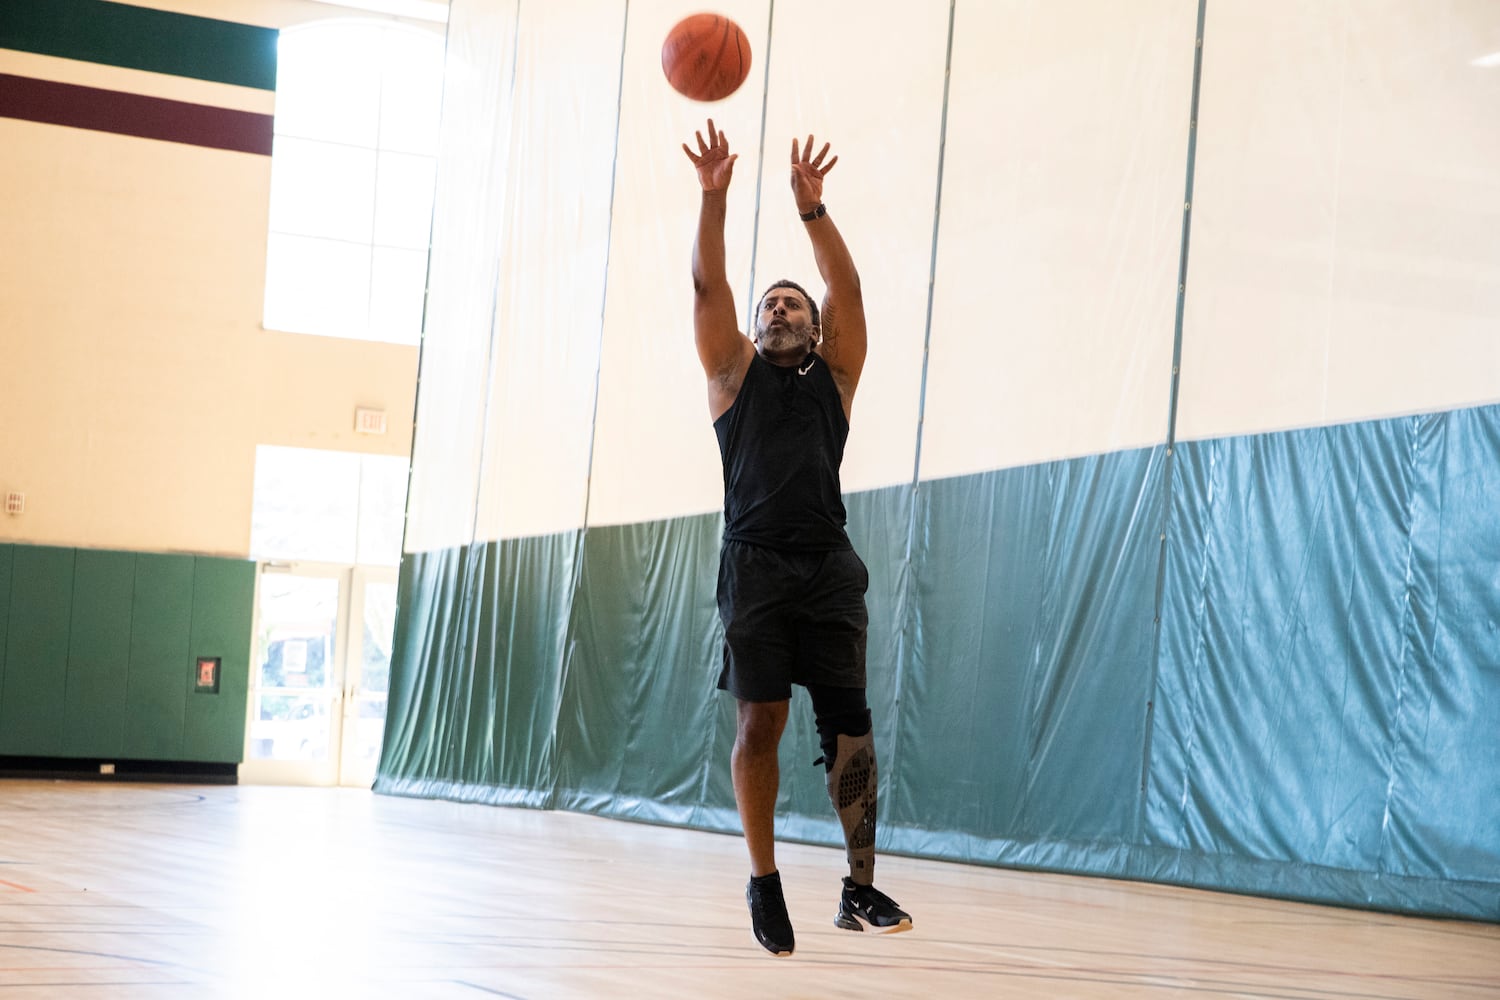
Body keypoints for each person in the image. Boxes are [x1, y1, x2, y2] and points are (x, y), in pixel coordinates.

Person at [682, 118, 912, 957]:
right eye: (768, 305)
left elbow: (847, 290)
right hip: (754, 567)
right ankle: (764, 879)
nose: (779, 309)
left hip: (829, 565)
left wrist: (814, 212)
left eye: (793, 305)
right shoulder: (731, 375)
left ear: (814, 331)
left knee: (850, 726)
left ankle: (859, 888)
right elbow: (708, 290)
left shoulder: (838, 377)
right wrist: (714, 199)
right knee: (762, 724)